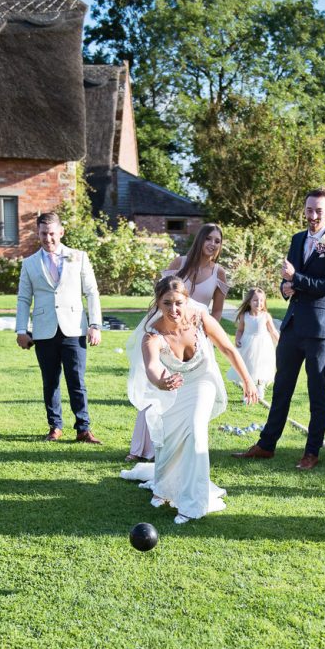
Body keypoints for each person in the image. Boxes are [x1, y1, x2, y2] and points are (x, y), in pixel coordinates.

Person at [121, 276, 257, 524]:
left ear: (187, 301)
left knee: (195, 431)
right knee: (169, 446)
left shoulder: (200, 319)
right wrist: (161, 381)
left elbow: (227, 348)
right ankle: (164, 487)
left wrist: (247, 380)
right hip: (172, 389)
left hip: (202, 382)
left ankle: (193, 504)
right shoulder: (152, 335)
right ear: (158, 304)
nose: (174, 310)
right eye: (167, 303)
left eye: (179, 303)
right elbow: (152, 367)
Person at [233, 188, 325, 470]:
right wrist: (286, 288)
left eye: (318, 210)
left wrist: (296, 279)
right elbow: (287, 282)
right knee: (281, 387)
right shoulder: (297, 239)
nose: (313, 216)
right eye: (309, 210)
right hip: (293, 325)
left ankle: (312, 451)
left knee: (316, 391)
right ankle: (266, 445)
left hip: (319, 329)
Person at [125, 222, 229, 462]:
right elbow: (161, 294)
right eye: (209, 239)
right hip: (164, 333)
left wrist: (204, 335)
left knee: (188, 390)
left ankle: (178, 444)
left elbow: (217, 312)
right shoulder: (179, 263)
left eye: (218, 241)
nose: (213, 244)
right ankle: (142, 448)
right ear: (200, 240)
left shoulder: (218, 272)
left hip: (194, 337)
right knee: (156, 383)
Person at [16, 212, 103, 444]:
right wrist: (21, 330)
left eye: (52, 233)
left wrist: (95, 325)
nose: (48, 239)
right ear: (38, 234)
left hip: (74, 328)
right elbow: (24, 298)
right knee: (50, 381)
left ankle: (83, 428)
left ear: (61, 232)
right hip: (44, 331)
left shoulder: (79, 257)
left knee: (77, 380)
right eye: (44, 234)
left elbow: (91, 292)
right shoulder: (29, 263)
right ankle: (55, 426)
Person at [226, 288, 279, 401]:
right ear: (249, 302)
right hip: (247, 344)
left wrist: (280, 341)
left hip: (263, 345)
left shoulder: (265, 316)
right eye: (255, 300)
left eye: (261, 300)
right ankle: (248, 389)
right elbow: (240, 330)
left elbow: (273, 331)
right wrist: (237, 339)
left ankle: (260, 387)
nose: (258, 303)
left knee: (260, 366)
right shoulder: (244, 316)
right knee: (248, 366)